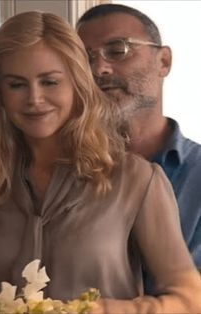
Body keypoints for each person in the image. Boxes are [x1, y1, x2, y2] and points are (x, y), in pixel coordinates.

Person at [0, 10, 201, 314]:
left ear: (78, 85)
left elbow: (191, 299)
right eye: (16, 85)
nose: (34, 98)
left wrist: (98, 311)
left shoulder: (137, 180)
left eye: (49, 82)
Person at [77, 3, 201, 291]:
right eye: (85, 58)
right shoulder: (60, 171)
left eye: (118, 49)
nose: (99, 68)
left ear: (164, 61)